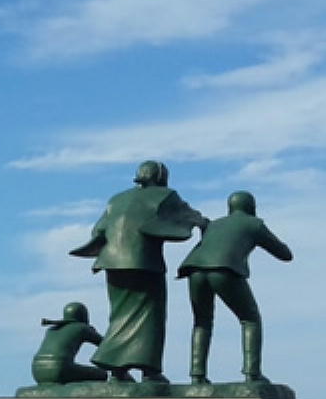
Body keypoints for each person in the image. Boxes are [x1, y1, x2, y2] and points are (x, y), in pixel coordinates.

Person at [70, 161, 208, 383]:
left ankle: (116, 371)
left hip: (111, 262)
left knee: (118, 315)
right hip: (144, 262)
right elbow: (187, 215)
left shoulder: (116, 199)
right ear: (161, 176)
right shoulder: (166, 195)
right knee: (151, 315)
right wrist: (203, 223)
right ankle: (149, 371)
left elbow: (99, 229)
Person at [177, 191, 292, 384]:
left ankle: (197, 375)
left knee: (202, 322)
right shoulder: (254, 224)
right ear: (252, 208)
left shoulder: (214, 224)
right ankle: (252, 373)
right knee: (250, 319)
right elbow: (285, 254)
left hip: (194, 270)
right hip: (224, 269)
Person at [31, 302, 107, 384]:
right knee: (102, 374)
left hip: (36, 371)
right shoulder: (82, 328)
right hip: (60, 369)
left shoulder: (51, 329)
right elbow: (105, 344)